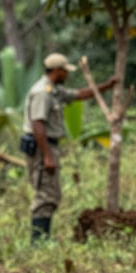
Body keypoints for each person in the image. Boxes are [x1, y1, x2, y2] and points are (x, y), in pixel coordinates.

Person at [21, 53, 116, 244]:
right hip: (42, 147)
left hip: (48, 147)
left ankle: (43, 239)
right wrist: (47, 156)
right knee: (45, 194)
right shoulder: (42, 92)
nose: (67, 75)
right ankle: (38, 242)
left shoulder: (54, 90)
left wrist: (106, 86)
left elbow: (78, 94)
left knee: (52, 194)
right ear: (57, 71)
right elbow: (38, 125)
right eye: (65, 71)